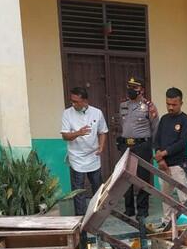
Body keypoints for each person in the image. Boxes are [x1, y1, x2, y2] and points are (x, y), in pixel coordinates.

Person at [60, 87, 108, 216]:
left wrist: (101, 147)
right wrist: (78, 133)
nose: (73, 104)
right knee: (78, 190)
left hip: (93, 156)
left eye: (76, 101)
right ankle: (80, 218)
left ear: (85, 101)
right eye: (72, 101)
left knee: (98, 187)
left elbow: (103, 131)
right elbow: (65, 136)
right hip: (76, 157)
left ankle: (97, 214)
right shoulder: (67, 113)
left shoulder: (97, 113)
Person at [118, 76, 159, 219]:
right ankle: (129, 209)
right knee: (125, 177)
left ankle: (142, 210)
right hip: (126, 145)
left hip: (143, 146)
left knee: (142, 178)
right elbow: (123, 125)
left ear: (141, 89)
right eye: (129, 87)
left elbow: (155, 128)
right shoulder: (123, 105)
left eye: (134, 88)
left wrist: (152, 147)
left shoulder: (149, 106)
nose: (131, 90)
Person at [154, 87, 187, 230]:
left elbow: (182, 143)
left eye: (174, 104)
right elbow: (157, 139)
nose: (170, 107)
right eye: (168, 104)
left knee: (184, 197)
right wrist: (160, 159)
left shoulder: (186, 121)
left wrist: (164, 153)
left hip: (178, 166)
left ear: (181, 103)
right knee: (165, 197)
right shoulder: (164, 119)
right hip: (164, 166)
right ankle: (167, 223)